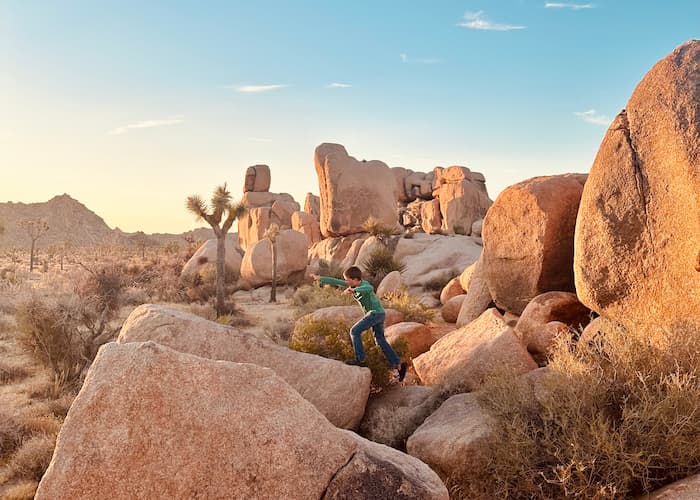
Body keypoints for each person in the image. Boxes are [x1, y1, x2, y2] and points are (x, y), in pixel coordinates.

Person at [311, 266, 408, 382]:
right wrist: (320, 278)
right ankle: (399, 365)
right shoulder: (353, 285)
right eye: (346, 280)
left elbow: (369, 288)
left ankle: (360, 360)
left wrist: (353, 291)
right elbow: (337, 281)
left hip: (375, 314)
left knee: (354, 331)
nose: (346, 282)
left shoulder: (364, 286)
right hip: (379, 314)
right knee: (380, 340)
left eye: (348, 280)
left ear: (356, 279)